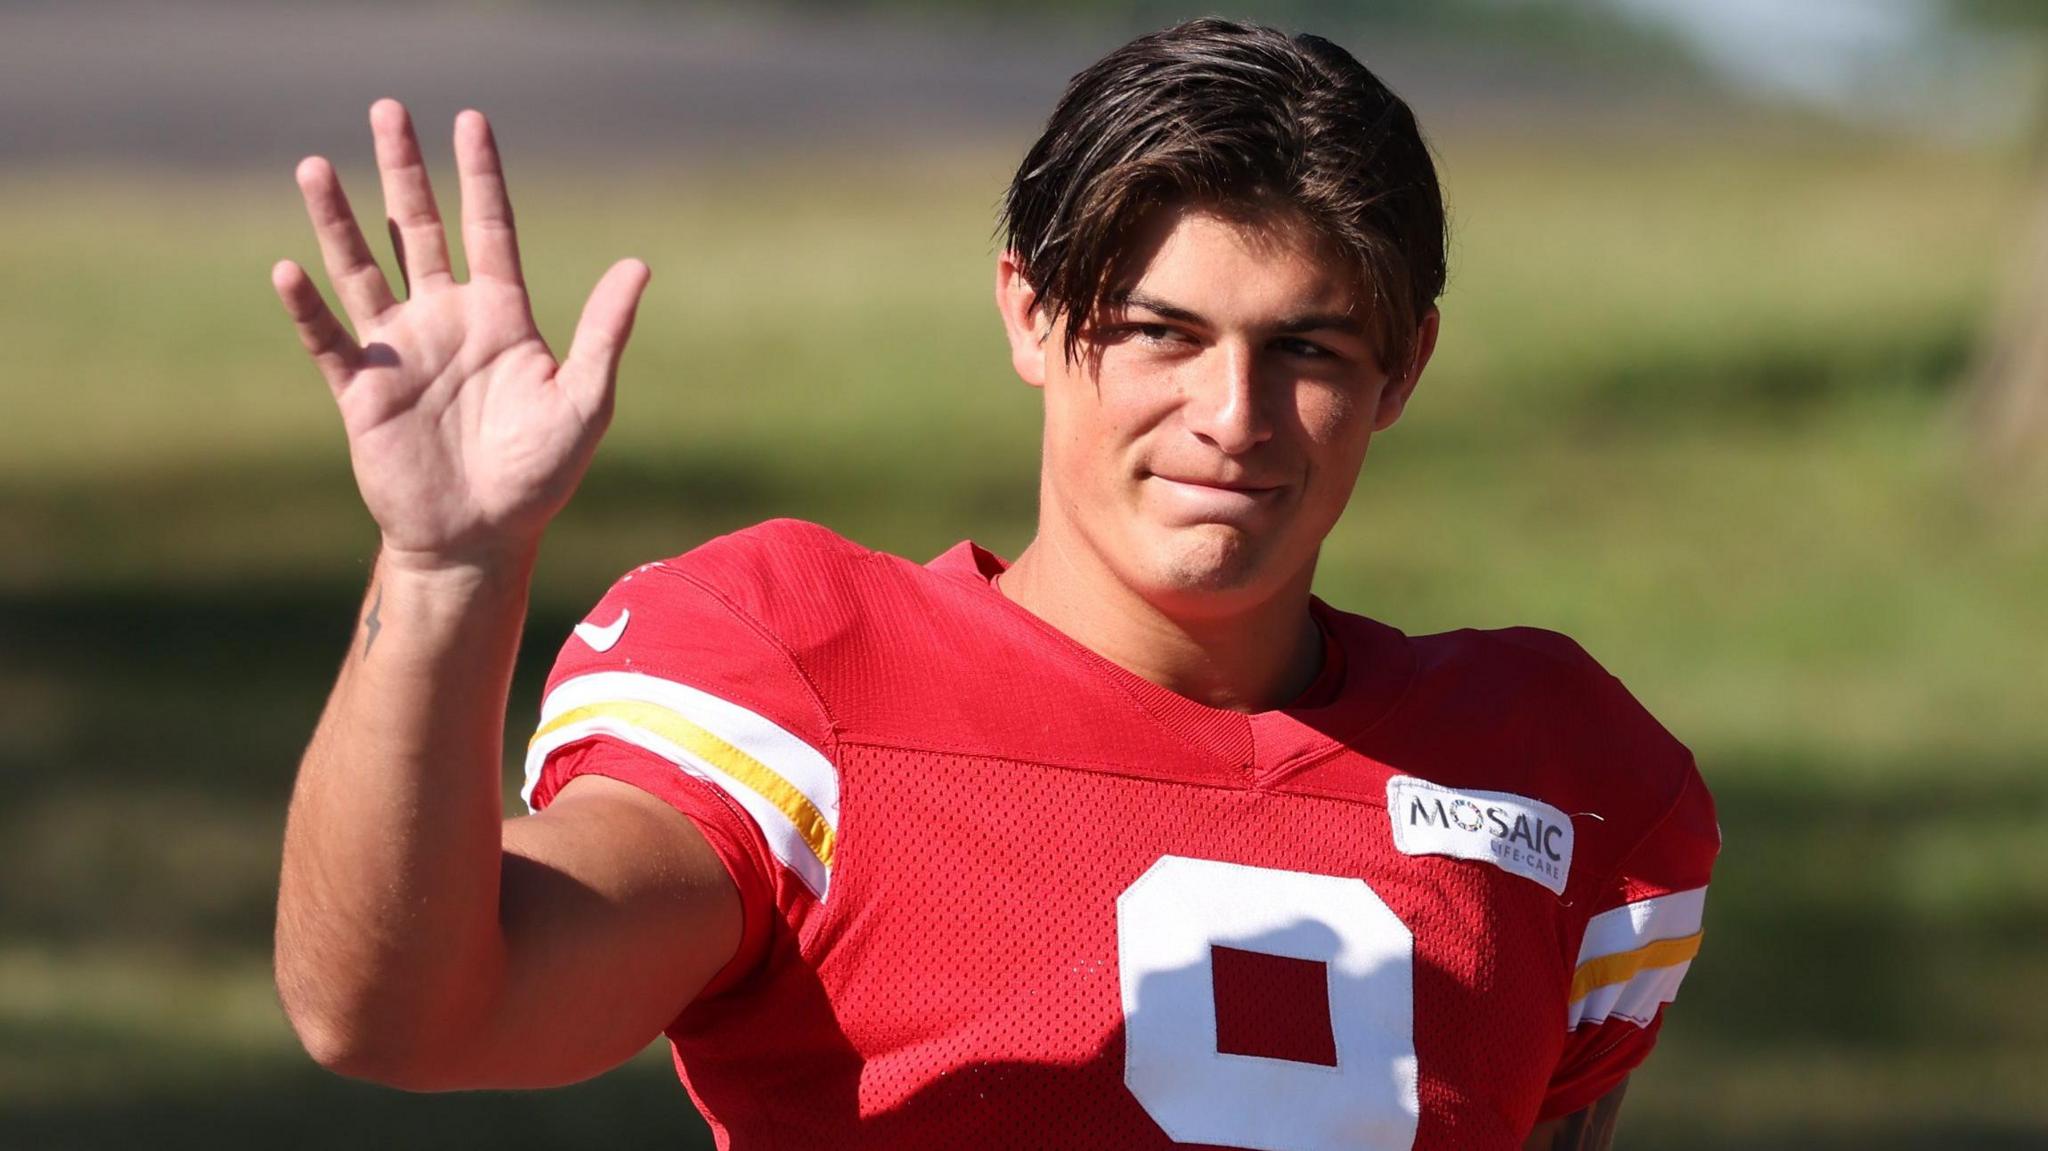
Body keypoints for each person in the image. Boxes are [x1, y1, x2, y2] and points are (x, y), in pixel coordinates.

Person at [270, 18, 1716, 1150]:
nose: (1232, 415)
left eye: (1309, 350)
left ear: (1404, 370)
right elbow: (402, 1015)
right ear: (1029, 313)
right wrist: (447, 569)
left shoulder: (1562, 778)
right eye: (1161, 333)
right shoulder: (808, 678)